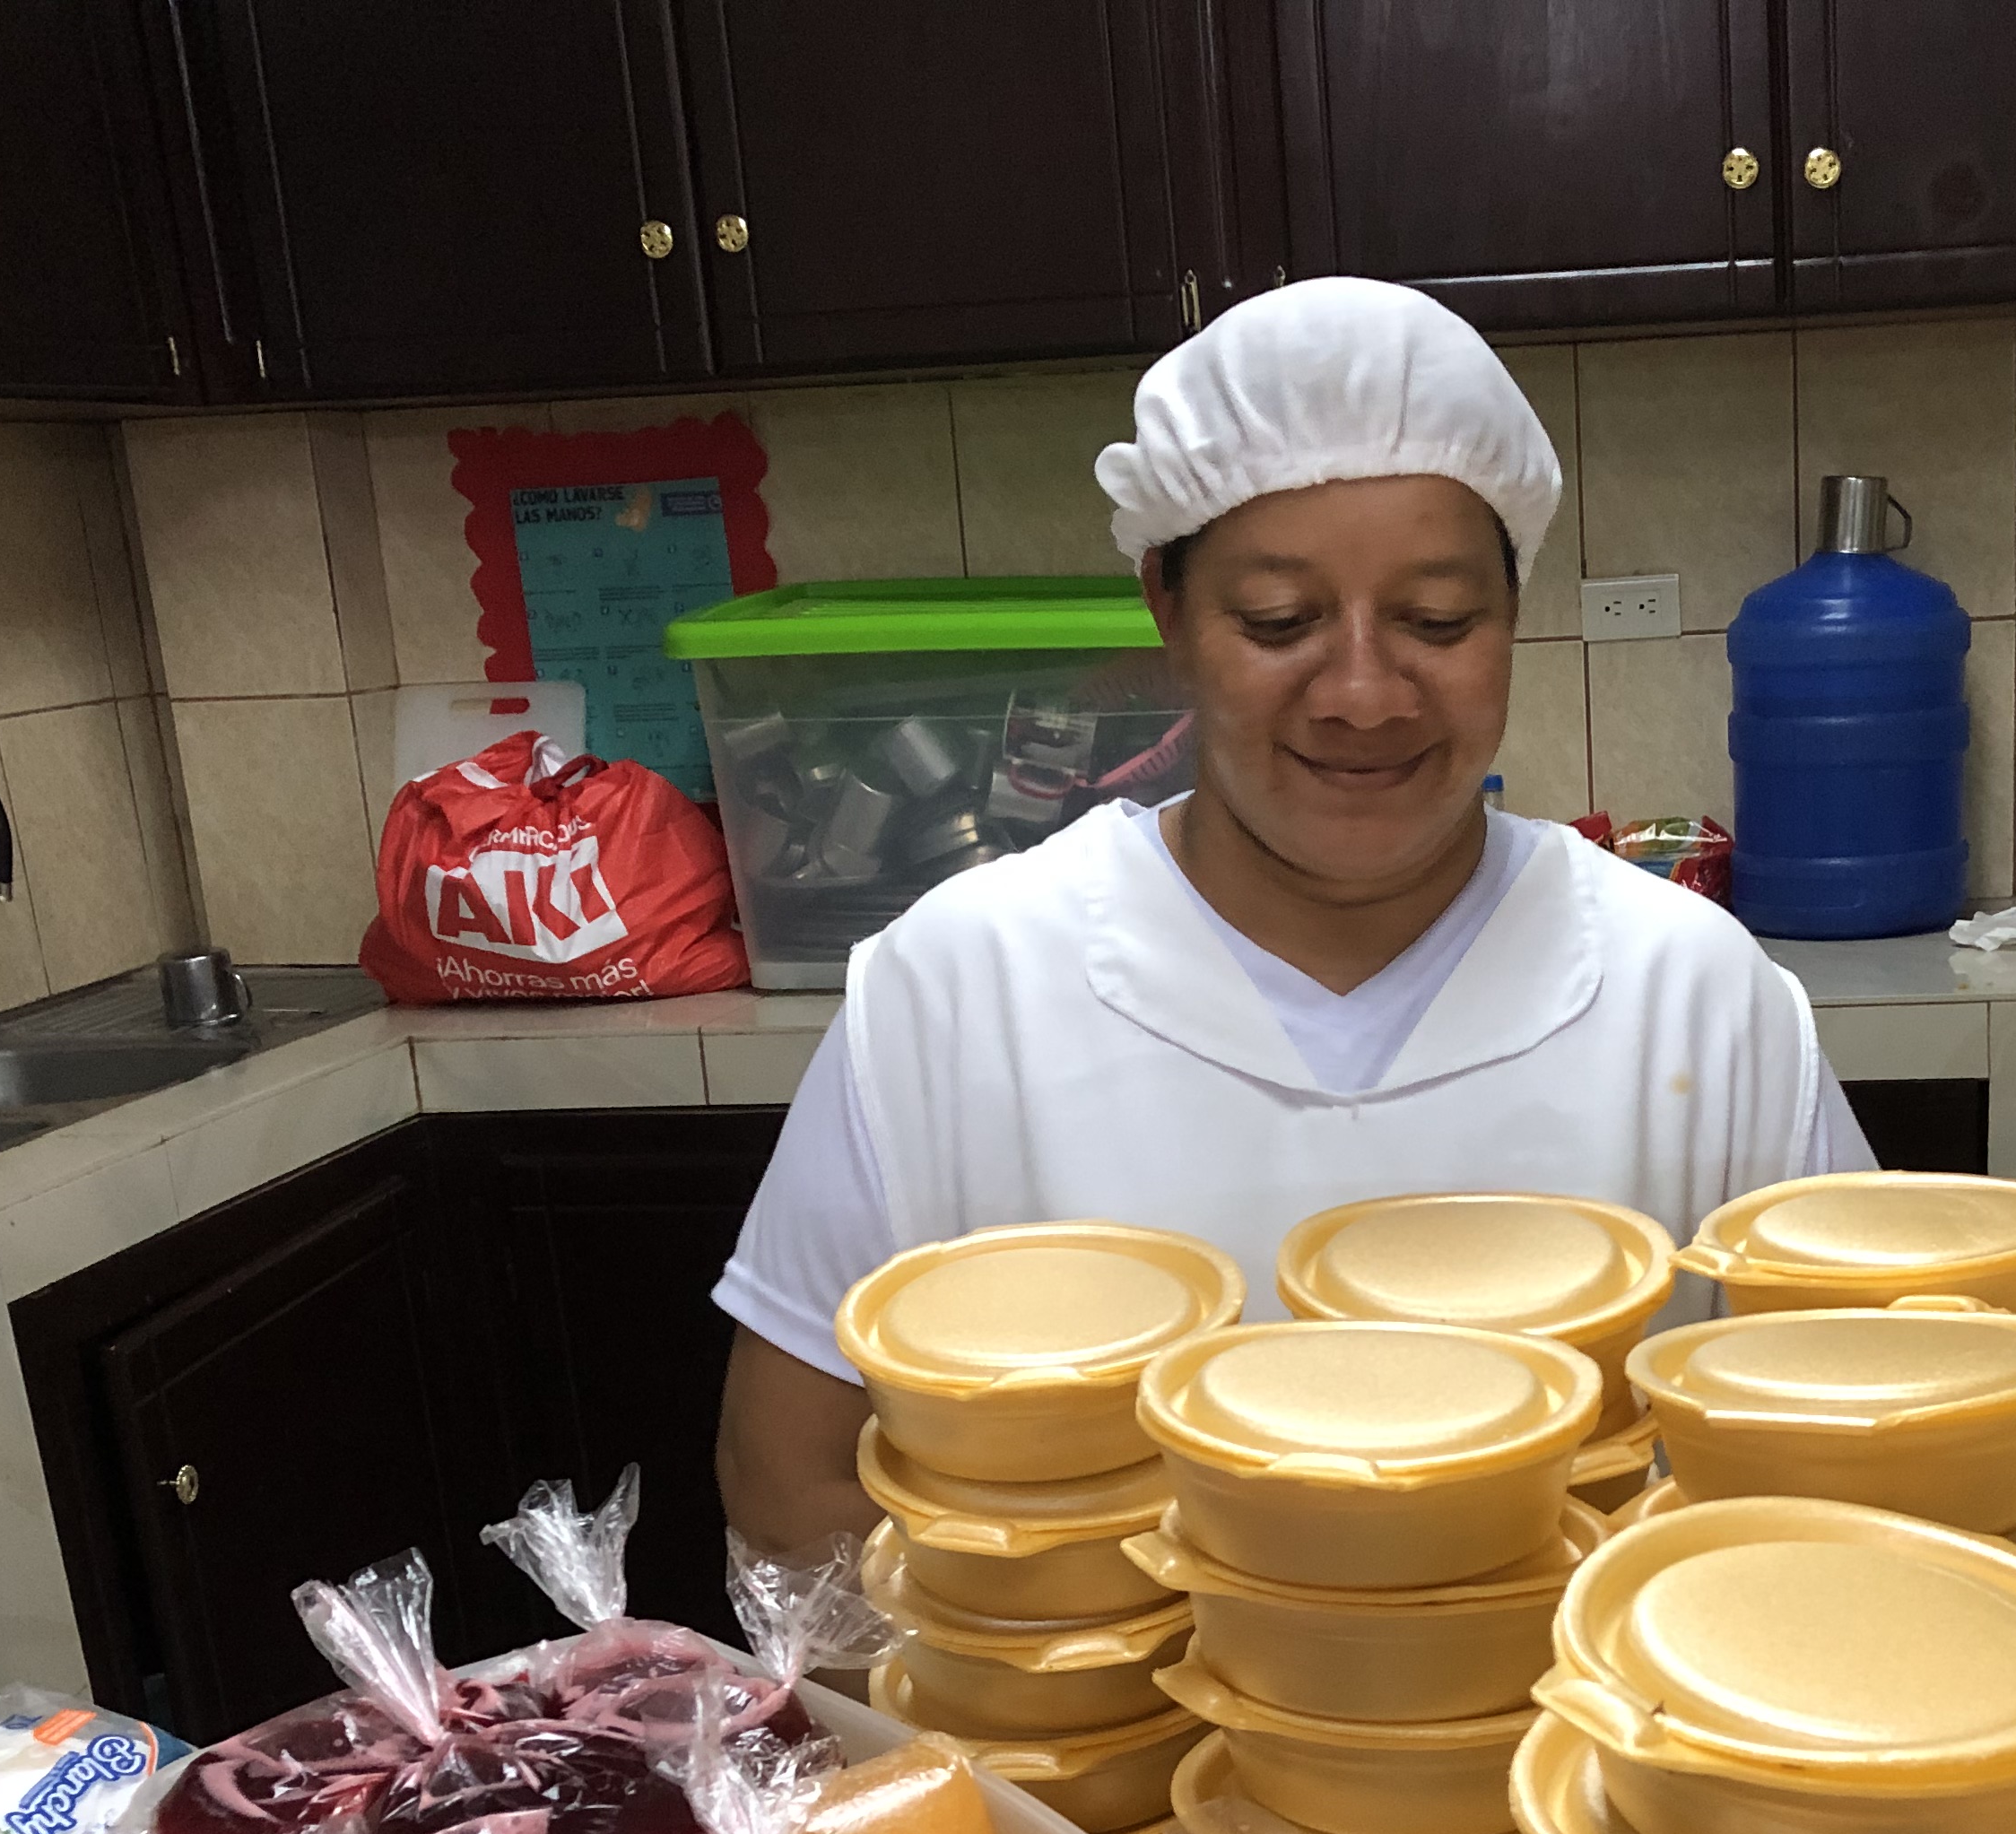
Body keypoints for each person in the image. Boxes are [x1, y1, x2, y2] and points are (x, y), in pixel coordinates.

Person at [714, 277, 1872, 1554]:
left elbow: (1871, 1436)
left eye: (1437, 620)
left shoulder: (1692, 992)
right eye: (1280, 622)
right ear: (1167, 610)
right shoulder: (956, 989)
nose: (1364, 694)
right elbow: (791, 1482)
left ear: (1513, 618)